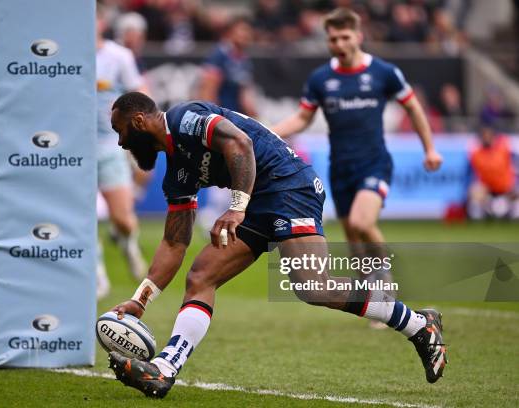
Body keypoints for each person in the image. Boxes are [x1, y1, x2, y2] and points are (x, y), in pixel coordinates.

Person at [106, 92, 447, 398]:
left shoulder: (184, 118)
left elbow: (239, 143)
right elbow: (174, 242)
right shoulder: (177, 172)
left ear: (139, 121)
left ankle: (418, 325)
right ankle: (165, 370)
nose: (121, 142)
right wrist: (141, 300)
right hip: (256, 201)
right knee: (201, 276)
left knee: (315, 287)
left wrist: (237, 207)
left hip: (289, 186)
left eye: (120, 130)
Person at [272, 8, 443, 316]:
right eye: (333, 38)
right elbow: (302, 117)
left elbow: (414, 108)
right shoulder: (321, 78)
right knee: (352, 234)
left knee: (363, 223)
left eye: (344, 36)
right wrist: (267, 133)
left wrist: (429, 148)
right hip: (341, 168)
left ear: (358, 36)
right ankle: (375, 304)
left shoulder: (383, 72)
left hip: (374, 163)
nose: (338, 43)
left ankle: (387, 288)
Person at [95, 8, 149, 297]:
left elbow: (139, 93)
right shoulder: (61, 59)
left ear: (100, 22)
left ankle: (128, 244)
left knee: (123, 220)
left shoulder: (119, 57)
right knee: (83, 220)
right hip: (70, 151)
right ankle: (98, 277)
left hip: (108, 146)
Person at [197, 15, 257, 232]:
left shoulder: (242, 59)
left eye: (248, 32)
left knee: (233, 167)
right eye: (242, 31)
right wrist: (211, 120)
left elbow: (244, 93)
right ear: (230, 33)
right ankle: (211, 215)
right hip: (222, 122)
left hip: (236, 122)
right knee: (224, 166)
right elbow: (208, 88)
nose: (246, 36)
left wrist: (254, 116)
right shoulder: (219, 56)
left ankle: (216, 215)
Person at [467, 125, 517, 219]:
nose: (486, 138)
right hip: (488, 189)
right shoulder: (476, 153)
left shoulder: (503, 149)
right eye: (484, 136)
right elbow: (472, 173)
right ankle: (478, 221)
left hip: (505, 188)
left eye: (488, 136)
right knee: (475, 192)